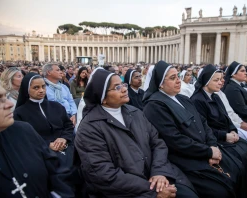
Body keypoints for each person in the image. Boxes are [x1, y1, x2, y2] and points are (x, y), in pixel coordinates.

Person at [75, 68, 197, 197]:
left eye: (123, 84)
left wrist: (159, 172)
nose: (124, 89)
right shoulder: (89, 128)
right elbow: (104, 175)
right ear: (102, 97)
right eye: (117, 87)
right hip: (128, 191)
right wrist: (152, 191)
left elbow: (157, 143)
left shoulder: (135, 112)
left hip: (158, 177)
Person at [143, 61, 247, 198]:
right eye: (172, 78)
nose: (178, 81)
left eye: (178, 77)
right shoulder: (155, 105)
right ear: (160, 83)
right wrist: (208, 152)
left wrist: (213, 145)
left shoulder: (183, 98)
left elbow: (203, 123)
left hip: (205, 148)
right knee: (219, 190)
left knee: (237, 167)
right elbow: (174, 140)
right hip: (184, 157)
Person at [190, 64, 247, 197]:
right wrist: (225, 135)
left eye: (221, 79)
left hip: (226, 135)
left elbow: (226, 117)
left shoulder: (215, 96)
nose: (221, 82)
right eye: (216, 80)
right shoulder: (197, 100)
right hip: (216, 139)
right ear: (206, 81)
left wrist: (232, 130)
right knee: (239, 158)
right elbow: (204, 128)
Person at [0, 84, 74, 197]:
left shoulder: (23, 130)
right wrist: (49, 144)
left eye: (5, 97)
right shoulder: (21, 112)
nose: (9, 104)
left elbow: (55, 170)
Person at [13, 73, 75, 170]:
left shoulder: (57, 106)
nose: (41, 90)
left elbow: (68, 125)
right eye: (36, 88)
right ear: (27, 89)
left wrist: (64, 138)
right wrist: (47, 144)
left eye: (43, 86)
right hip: (39, 152)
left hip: (66, 146)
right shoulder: (20, 113)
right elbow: (23, 137)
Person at [217, 72, 247, 179]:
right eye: (218, 79)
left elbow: (231, 112)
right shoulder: (215, 95)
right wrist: (238, 125)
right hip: (228, 128)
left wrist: (241, 122)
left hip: (234, 124)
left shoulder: (221, 93)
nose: (222, 81)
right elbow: (224, 118)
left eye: (222, 78)